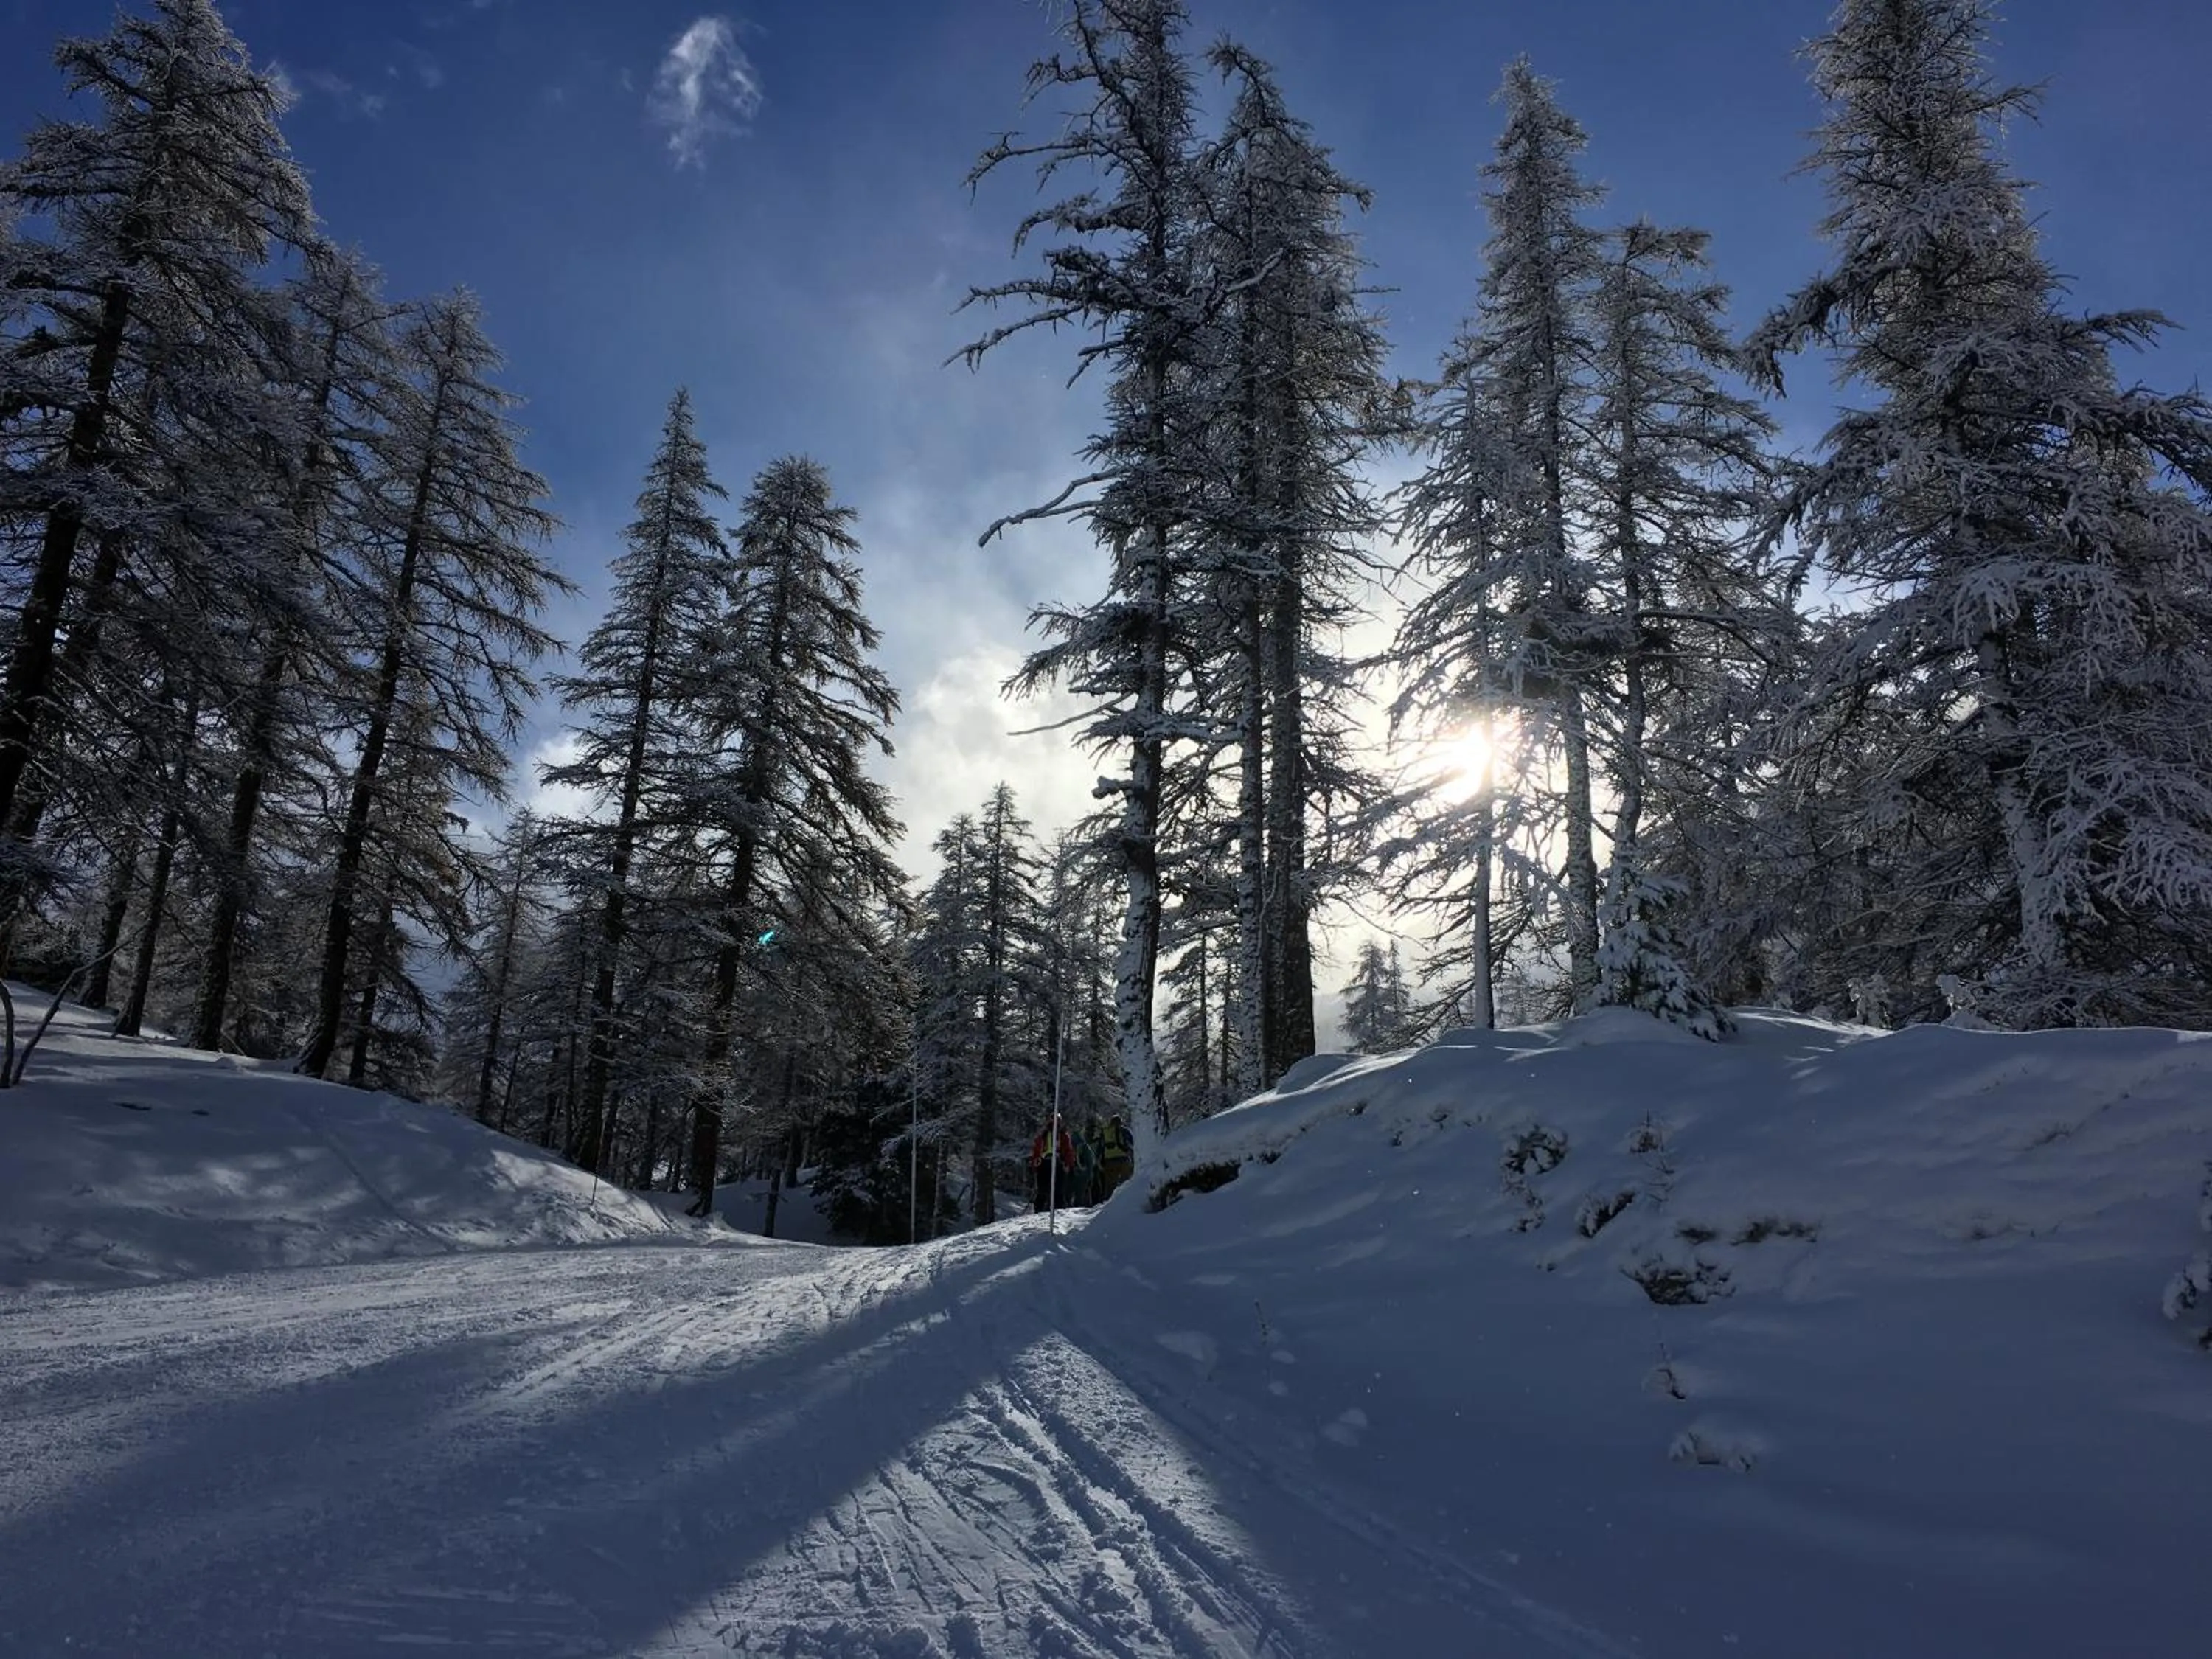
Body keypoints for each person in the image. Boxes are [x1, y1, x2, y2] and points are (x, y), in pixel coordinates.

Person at [1029, 1117, 1074, 1213]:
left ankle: (1054, 1211)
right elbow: (1037, 1150)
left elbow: (1068, 1151)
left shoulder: (1061, 1135)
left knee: (1054, 1191)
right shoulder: (1046, 1135)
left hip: (1053, 1164)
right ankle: (1043, 1211)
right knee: (1047, 1191)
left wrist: (1068, 1163)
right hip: (1048, 1163)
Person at [1097, 1112, 1134, 1197]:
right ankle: (1125, 1200)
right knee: (1125, 1183)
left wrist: (1100, 1161)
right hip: (1123, 1160)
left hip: (1109, 1161)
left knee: (1110, 1185)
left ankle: (1108, 1203)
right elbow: (1132, 1143)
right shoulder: (1124, 1130)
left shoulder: (1106, 1132)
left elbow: (1100, 1147)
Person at [1069, 1120, 1098, 1207]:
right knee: (1081, 1193)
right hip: (1084, 1173)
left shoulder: (1070, 1145)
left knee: (1071, 1192)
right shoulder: (1085, 1146)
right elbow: (1091, 1161)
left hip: (1073, 1173)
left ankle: (1071, 1207)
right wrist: (1090, 1174)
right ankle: (1081, 1206)